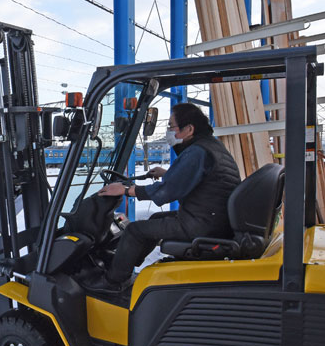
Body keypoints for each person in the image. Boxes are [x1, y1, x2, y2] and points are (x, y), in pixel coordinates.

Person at [85, 101, 241, 293]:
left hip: (202, 224)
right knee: (155, 219)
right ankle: (126, 261)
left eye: (171, 127)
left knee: (134, 230)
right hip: (212, 220)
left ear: (189, 129)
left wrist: (125, 190)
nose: (169, 131)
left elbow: (166, 192)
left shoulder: (197, 151)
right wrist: (167, 174)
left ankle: (113, 281)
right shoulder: (211, 146)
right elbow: (201, 179)